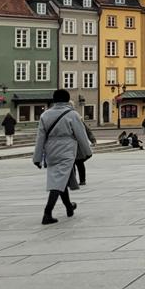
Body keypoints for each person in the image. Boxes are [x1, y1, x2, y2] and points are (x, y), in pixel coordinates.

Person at [32, 89, 93, 225]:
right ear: (67, 100)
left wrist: (37, 158)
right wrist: (88, 151)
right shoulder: (72, 114)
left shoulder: (45, 115)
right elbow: (81, 135)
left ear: (54, 100)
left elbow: (40, 138)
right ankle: (47, 213)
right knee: (58, 181)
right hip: (66, 150)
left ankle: (69, 207)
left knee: (61, 179)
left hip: (51, 151)